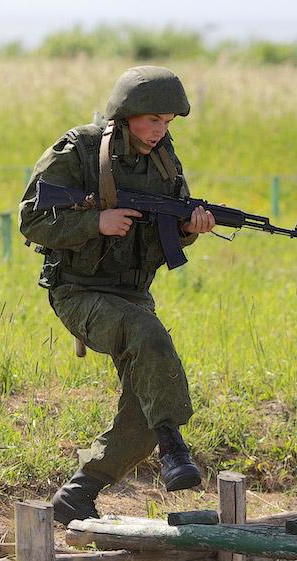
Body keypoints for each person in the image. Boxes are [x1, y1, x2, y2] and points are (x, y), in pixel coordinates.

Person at [19, 66, 215, 525]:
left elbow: (168, 229)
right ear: (125, 114)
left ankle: (79, 492)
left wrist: (190, 228)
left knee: (148, 401)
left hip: (132, 295)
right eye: (152, 120)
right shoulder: (80, 150)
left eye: (167, 121)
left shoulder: (164, 159)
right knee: (149, 336)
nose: (159, 130)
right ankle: (174, 445)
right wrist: (97, 222)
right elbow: (31, 219)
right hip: (78, 291)